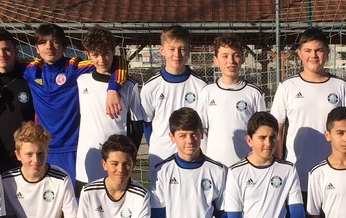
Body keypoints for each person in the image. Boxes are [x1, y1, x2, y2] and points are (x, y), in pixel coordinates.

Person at [0, 23, 123, 183]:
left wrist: (113, 89)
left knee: (74, 196)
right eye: (43, 42)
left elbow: (118, 61)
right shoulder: (31, 69)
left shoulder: (74, 66)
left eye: (55, 42)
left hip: (73, 149)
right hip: (42, 150)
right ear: (36, 48)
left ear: (64, 46)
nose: (49, 47)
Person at [271, 27, 346, 191]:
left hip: (335, 172)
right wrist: (278, 165)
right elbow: (277, 129)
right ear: (299, 54)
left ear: (327, 53)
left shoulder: (341, 86)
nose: (314, 55)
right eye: (308, 50)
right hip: (297, 173)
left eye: (319, 50)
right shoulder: (287, 86)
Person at [75, 25, 143, 186]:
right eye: (95, 55)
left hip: (117, 160)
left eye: (106, 53)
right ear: (87, 54)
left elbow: (137, 124)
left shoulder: (129, 85)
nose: (101, 60)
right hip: (88, 158)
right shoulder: (81, 80)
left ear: (113, 50)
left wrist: (129, 154)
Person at [140, 25, 208, 183]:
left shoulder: (201, 86)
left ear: (189, 50)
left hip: (191, 154)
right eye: (171, 49)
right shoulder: (151, 87)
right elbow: (146, 123)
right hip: (161, 155)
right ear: (161, 50)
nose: (177, 54)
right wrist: (157, 145)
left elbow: (203, 124)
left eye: (182, 49)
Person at [195, 33, 266, 166]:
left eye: (236, 55)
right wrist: (205, 160)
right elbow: (201, 130)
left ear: (242, 59)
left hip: (246, 166)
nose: (231, 61)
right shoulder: (207, 92)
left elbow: (261, 131)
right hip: (214, 166)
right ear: (216, 60)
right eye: (225, 56)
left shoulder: (254, 93)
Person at [0, 28, 35, 174]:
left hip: (25, 159)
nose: (2, 54)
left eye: (6, 49)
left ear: (16, 52)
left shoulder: (29, 79)